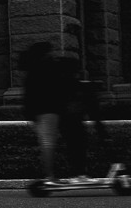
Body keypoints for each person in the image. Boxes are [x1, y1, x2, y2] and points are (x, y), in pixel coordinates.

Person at [18, 42, 88, 182]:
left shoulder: (34, 70)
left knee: (49, 142)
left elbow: (29, 95)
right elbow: (63, 83)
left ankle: (51, 175)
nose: (54, 53)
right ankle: (71, 174)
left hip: (45, 111)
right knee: (59, 141)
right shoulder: (48, 67)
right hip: (52, 109)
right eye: (51, 51)